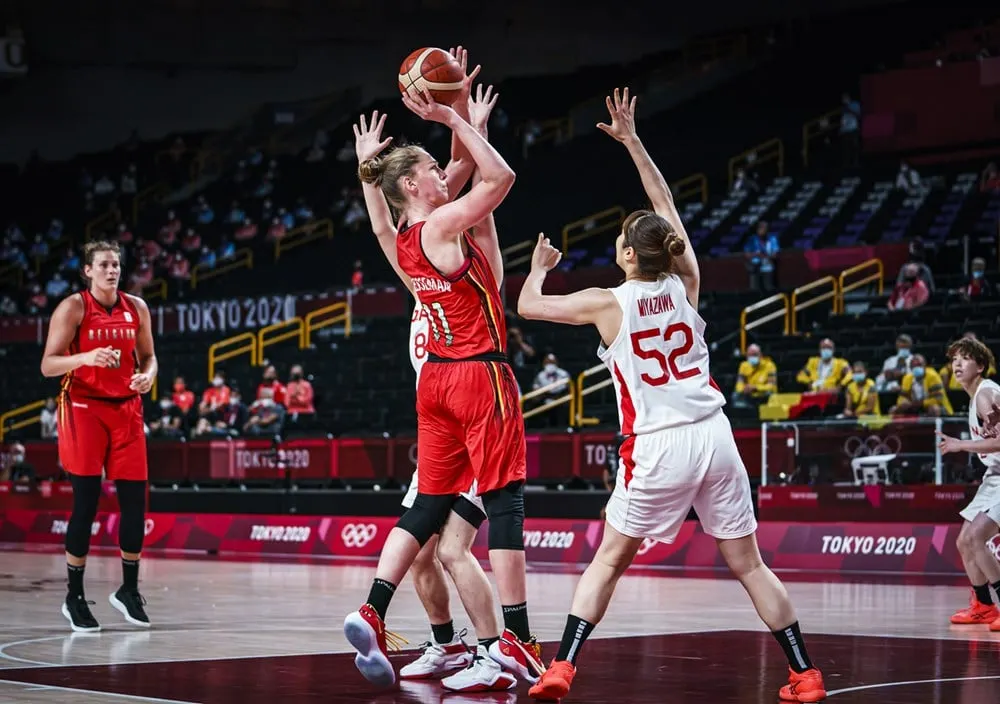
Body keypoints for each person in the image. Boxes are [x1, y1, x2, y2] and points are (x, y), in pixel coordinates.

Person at [516, 88, 826, 703]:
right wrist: (634, 142)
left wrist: (539, 269)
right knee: (750, 564)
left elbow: (527, 306)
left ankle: (562, 668)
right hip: (715, 436)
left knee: (609, 561)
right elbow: (665, 206)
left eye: (621, 238)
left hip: (657, 444)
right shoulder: (687, 282)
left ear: (629, 253)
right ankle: (805, 673)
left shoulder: (607, 302)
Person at [343, 69, 543, 689]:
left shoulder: (404, 241)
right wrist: (452, 117)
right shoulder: (441, 227)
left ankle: (374, 609)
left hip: (435, 384)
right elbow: (498, 181)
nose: (443, 172)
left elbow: (392, 218)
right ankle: (515, 637)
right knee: (504, 499)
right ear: (413, 184)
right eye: (432, 169)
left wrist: (369, 170)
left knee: (429, 510)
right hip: (479, 375)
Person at [40, 240, 157, 633]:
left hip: (127, 409)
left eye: (116, 265)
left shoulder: (136, 307)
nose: (112, 271)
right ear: (87, 271)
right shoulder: (74, 308)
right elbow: (48, 365)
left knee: (135, 504)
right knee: (86, 503)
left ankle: (128, 590)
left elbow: (149, 357)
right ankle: (74, 596)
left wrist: (148, 376)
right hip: (84, 407)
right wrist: (86, 358)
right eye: (104, 265)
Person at [937, 337, 1000, 631]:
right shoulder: (977, 396)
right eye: (954, 359)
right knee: (964, 541)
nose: (957, 364)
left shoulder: (985, 394)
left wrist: (960, 445)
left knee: (975, 538)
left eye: (965, 358)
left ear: (981, 366)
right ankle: (983, 606)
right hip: (994, 476)